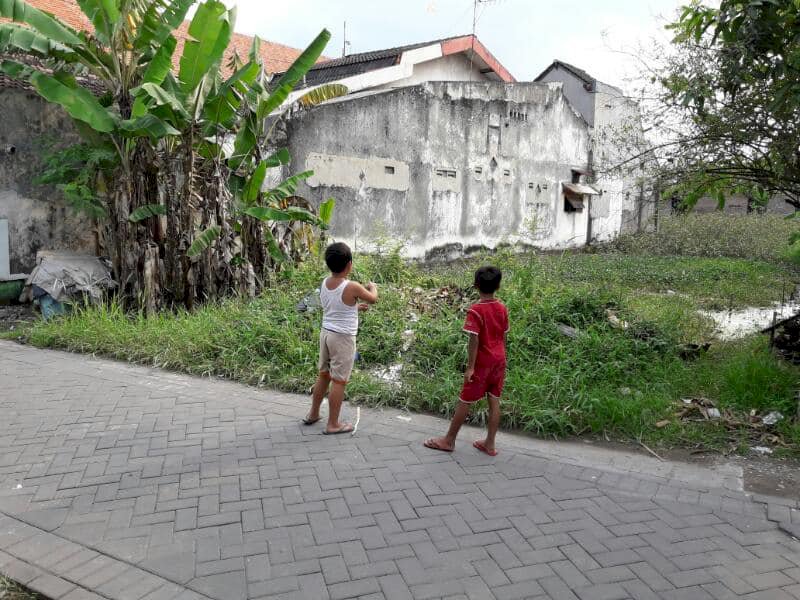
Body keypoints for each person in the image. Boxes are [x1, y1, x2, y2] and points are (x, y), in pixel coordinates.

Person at [424, 266, 508, 456]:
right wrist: (504, 358)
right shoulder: (502, 308)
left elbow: (474, 340)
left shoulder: (476, 310)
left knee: (465, 400)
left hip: (483, 363)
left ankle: (449, 440)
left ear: (476, 285)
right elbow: (503, 336)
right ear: (499, 286)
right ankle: (490, 444)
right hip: (499, 359)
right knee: (494, 400)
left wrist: (470, 367)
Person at [304, 242, 378, 434]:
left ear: (329, 264)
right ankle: (333, 424)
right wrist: (373, 287)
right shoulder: (352, 286)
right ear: (349, 264)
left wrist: (354, 308)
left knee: (324, 374)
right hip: (342, 338)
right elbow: (372, 298)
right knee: (339, 381)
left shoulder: (325, 282)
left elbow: (335, 305)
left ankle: (313, 413)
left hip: (326, 334)